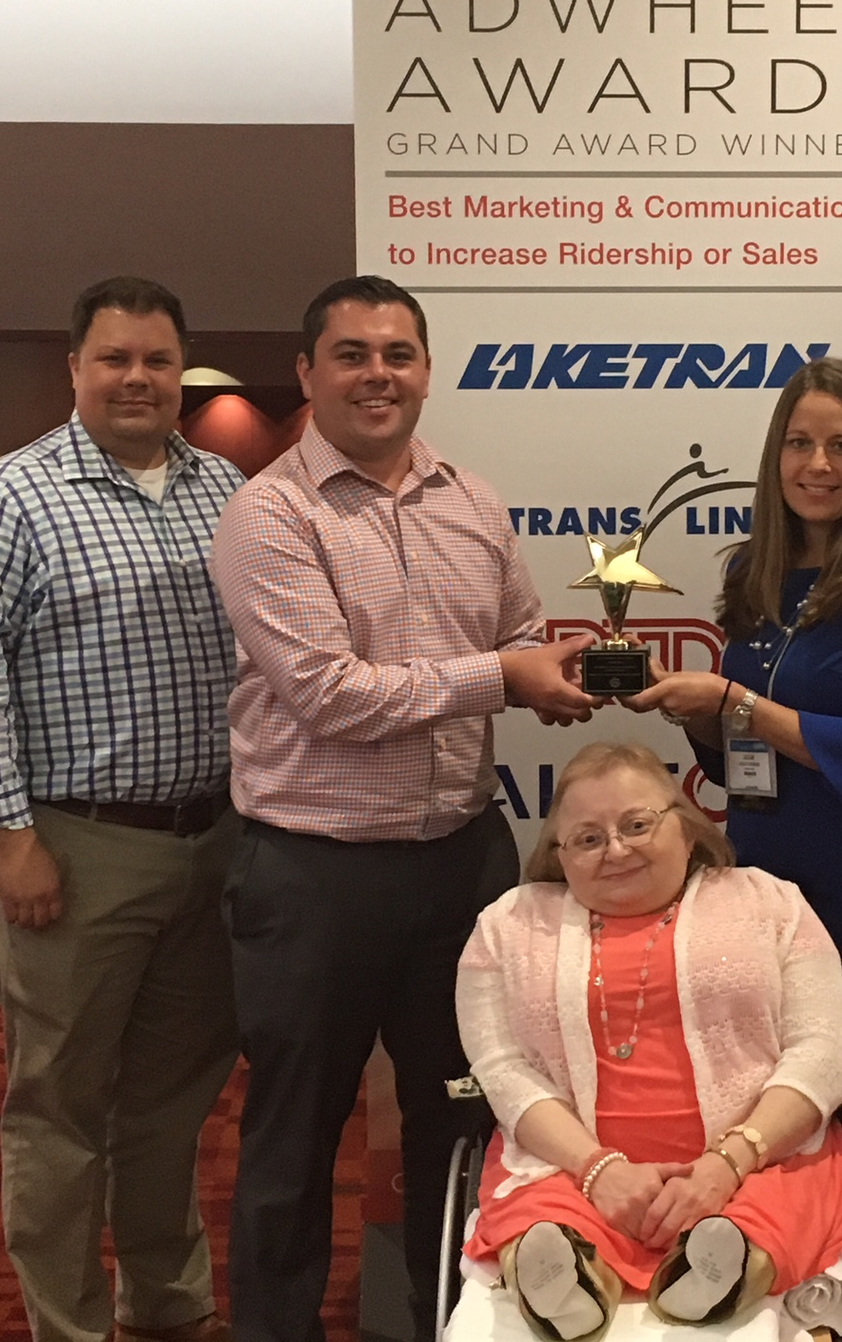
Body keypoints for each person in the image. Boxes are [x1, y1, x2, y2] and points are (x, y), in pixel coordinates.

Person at [207, 275, 599, 1342]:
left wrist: (550, 677)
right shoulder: (269, 513)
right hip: (314, 874)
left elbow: (518, 635)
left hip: (460, 864)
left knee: (462, 1130)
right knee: (294, 1137)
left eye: (397, 354)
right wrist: (504, 680)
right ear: (307, 373)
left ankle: (452, 1325)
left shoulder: (473, 501)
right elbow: (329, 696)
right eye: (352, 354)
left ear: (426, 369)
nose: (377, 374)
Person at [0, 276, 244, 1342]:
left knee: (169, 1103)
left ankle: (170, 1305)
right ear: (75, 370)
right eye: (115, 359)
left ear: (180, 370)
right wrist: (8, 840)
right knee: (58, 1109)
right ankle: (69, 1325)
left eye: (157, 360)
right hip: (72, 846)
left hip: (213, 841)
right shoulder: (5, 499)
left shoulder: (224, 489)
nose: (138, 378)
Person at [626, 358, 842, 1342]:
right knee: (774, 1109)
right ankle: (799, 1308)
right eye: (800, 444)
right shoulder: (751, 572)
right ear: (775, 459)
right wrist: (687, 709)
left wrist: (729, 700)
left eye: (841, 446)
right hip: (763, 874)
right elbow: (744, 752)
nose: (818, 464)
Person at [456, 742, 842, 1339]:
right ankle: (568, 1281)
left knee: (766, 1220)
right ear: (559, 856)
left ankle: (726, 1267)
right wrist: (599, 1172)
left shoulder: (770, 902)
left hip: (758, 1164)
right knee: (541, 1221)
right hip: (569, 1172)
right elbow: (502, 1070)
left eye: (637, 825)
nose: (616, 849)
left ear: (687, 830)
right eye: (587, 839)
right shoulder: (507, 926)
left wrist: (727, 1164)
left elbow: (822, 1055)